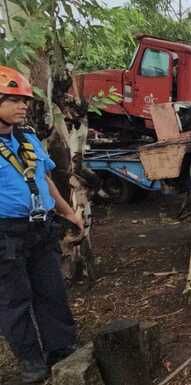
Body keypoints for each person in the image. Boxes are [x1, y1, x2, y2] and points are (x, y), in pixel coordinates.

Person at [0, 65, 83, 383]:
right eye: (14, 100)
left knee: (51, 290)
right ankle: (31, 361)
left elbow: (45, 180)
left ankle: (60, 347)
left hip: (40, 228)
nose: (23, 106)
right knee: (14, 299)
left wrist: (67, 211)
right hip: (6, 233)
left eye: (24, 100)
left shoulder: (27, 138)